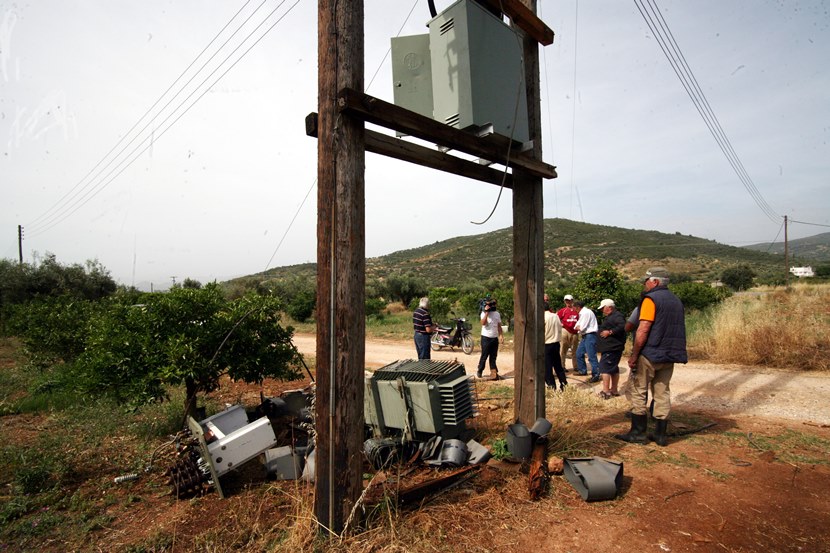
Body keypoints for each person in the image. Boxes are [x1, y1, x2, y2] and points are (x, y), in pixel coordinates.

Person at [616, 267, 688, 447]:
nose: (645, 284)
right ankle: (660, 435)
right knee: (662, 392)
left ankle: (638, 434)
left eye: (646, 280)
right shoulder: (676, 300)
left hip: (650, 354)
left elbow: (643, 328)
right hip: (669, 355)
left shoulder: (651, 299)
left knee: (638, 391)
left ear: (655, 282)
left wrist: (634, 354)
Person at [596, 299, 626, 399]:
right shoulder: (612, 316)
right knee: (613, 368)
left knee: (605, 368)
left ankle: (606, 391)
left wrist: (610, 332)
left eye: (603, 308)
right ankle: (614, 390)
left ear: (609, 307)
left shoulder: (617, 316)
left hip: (612, 347)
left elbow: (622, 326)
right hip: (612, 347)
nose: (602, 310)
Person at [573, 300, 600, 382]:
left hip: (590, 335)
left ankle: (596, 374)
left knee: (591, 356)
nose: (574, 309)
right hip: (586, 336)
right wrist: (577, 327)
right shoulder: (583, 313)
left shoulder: (586, 313)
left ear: (578, 307)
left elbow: (581, 327)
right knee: (579, 353)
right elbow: (576, 326)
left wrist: (578, 327)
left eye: (574, 308)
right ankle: (582, 370)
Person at [477, 298, 504, 380]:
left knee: (493, 356)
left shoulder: (497, 314)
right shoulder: (483, 313)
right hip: (486, 338)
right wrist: (487, 313)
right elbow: (483, 323)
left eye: (493, 304)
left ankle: (494, 372)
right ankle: (480, 370)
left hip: (494, 338)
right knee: (484, 355)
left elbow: (499, 325)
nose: (492, 306)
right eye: (490, 305)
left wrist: (501, 335)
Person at [544, 302, 568, 391]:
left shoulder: (542, 317)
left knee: (547, 367)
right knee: (558, 365)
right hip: (556, 343)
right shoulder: (555, 316)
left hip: (546, 344)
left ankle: (551, 386)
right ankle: (564, 384)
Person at [557, 294, 580, 371]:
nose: (568, 302)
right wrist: (561, 324)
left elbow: (580, 319)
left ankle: (576, 366)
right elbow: (556, 319)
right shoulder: (562, 311)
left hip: (574, 332)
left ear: (572, 301)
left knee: (575, 350)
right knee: (563, 350)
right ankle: (562, 366)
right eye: (566, 300)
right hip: (565, 330)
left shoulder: (576, 310)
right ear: (564, 301)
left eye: (569, 300)